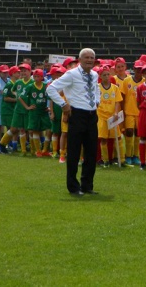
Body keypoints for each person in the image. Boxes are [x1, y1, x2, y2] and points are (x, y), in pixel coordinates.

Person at [47, 48, 100, 196]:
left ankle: (87, 185)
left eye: (91, 58)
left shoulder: (95, 74)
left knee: (91, 152)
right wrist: (63, 104)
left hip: (91, 115)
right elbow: (51, 89)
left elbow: (96, 89)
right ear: (80, 59)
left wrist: (97, 100)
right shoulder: (72, 74)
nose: (89, 60)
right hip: (77, 114)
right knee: (74, 152)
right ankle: (73, 187)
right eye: (86, 57)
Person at [119, 60, 145, 166]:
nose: (138, 71)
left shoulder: (145, 81)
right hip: (129, 111)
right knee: (129, 132)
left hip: (140, 112)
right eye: (137, 68)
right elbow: (123, 97)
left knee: (138, 133)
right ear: (133, 69)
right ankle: (128, 155)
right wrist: (122, 112)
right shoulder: (127, 80)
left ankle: (136, 155)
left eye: (141, 69)